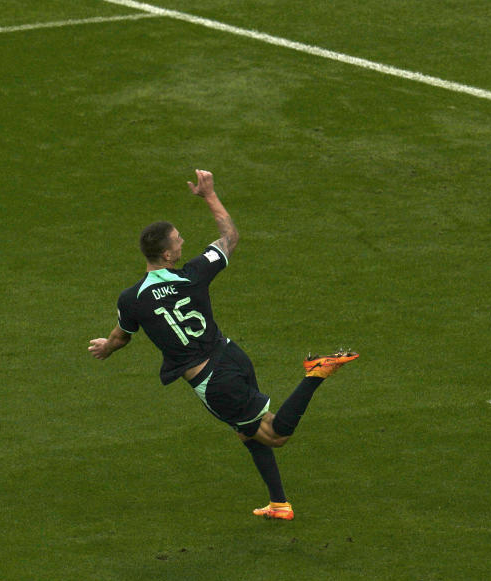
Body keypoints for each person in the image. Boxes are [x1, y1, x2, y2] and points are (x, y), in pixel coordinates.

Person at [88, 169, 358, 521]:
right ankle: (279, 504)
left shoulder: (132, 299)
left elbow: (121, 337)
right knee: (248, 432)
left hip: (213, 382)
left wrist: (106, 349)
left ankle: (316, 374)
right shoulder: (193, 274)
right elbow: (229, 236)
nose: (182, 242)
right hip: (232, 355)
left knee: (274, 435)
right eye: (178, 240)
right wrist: (209, 195)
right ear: (168, 255)